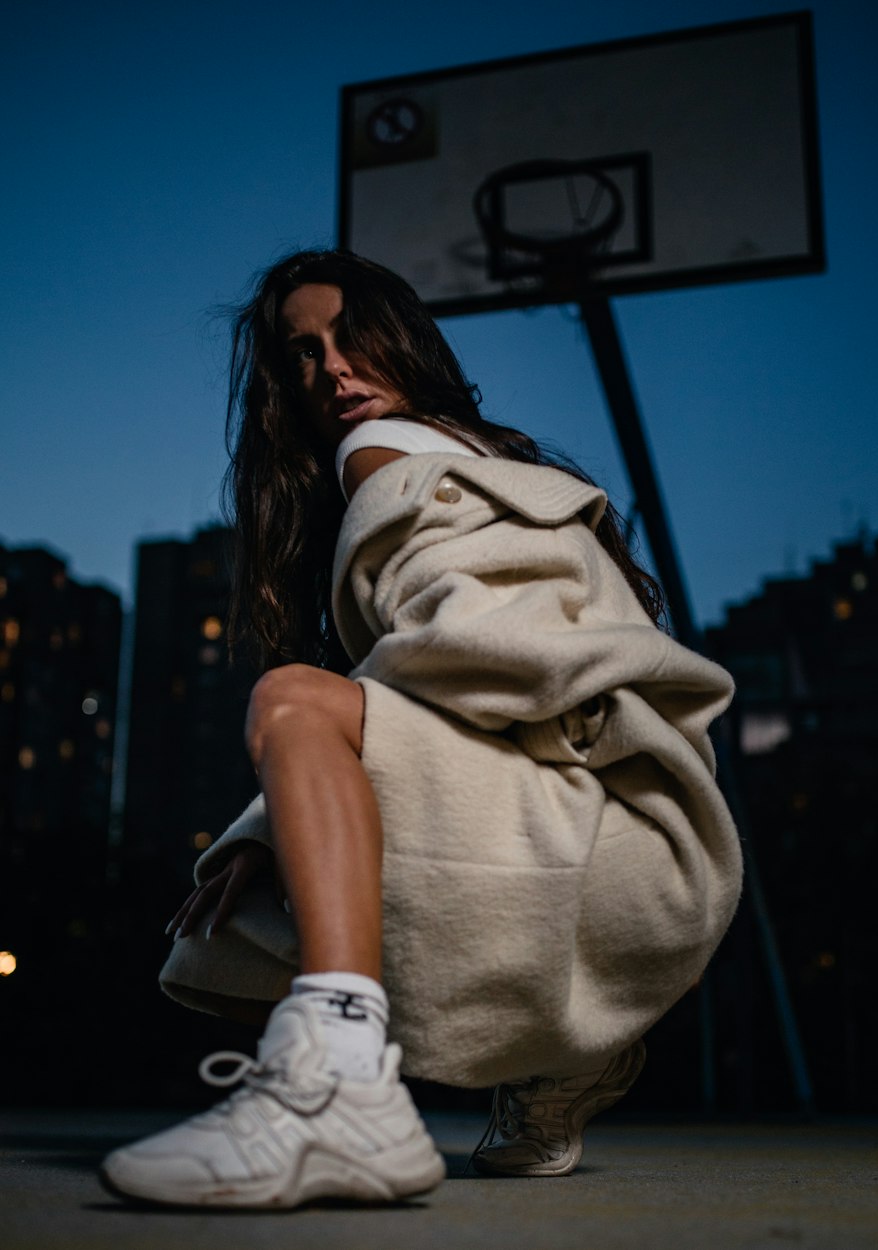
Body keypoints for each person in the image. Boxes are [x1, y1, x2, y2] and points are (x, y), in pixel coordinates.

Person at [101, 249, 742, 1209]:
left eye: (349, 337)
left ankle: (343, 1085)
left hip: (596, 832)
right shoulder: (500, 464)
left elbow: (483, 655)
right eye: (303, 355)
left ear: (399, 339)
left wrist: (290, 786)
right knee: (286, 862)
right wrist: (291, 806)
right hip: (659, 865)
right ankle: (560, 1058)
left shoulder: (383, 453)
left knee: (290, 699)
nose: (334, 370)